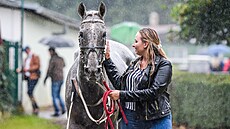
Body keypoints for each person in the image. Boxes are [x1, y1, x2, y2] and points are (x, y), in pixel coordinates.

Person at [103, 28, 173, 129]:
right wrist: (108, 60)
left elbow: (153, 92)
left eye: (136, 41)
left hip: (156, 120)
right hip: (130, 118)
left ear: (145, 44)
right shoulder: (134, 64)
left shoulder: (164, 65)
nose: (133, 45)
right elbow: (121, 85)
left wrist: (121, 95)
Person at [16, 46, 40, 115]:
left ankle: (35, 107)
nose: (26, 52)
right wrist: (21, 70)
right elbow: (25, 68)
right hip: (28, 78)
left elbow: (37, 66)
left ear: (29, 49)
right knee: (29, 92)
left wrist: (28, 69)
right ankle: (35, 107)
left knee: (29, 91)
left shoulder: (35, 56)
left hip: (34, 77)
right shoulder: (26, 59)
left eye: (26, 51)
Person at [44, 47, 66, 117]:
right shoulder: (61, 58)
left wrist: (45, 78)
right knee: (58, 95)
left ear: (51, 52)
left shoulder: (52, 59)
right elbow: (64, 65)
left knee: (54, 96)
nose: (49, 54)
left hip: (55, 79)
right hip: (61, 78)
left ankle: (57, 111)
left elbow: (49, 70)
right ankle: (63, 108)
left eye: (49, 52)